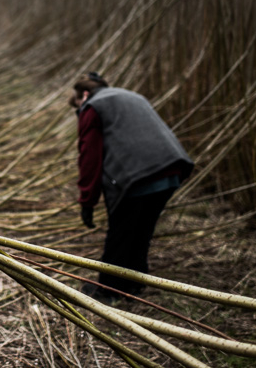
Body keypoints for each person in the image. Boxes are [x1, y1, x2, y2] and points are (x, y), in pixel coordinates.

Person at [69, 72, 193, 304]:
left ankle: (108, 289)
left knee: (121, 231)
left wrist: (87, 202)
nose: (79, 111)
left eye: (77, 106)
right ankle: (134, 283)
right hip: (172, 168)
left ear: (84, 94)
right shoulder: (131, 96)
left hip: (139, 176)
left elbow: (90, 158)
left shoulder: (92, 106)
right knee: (141, 229)